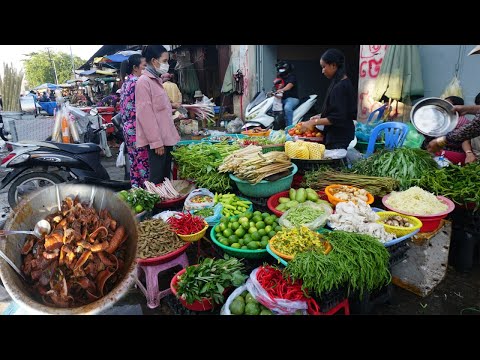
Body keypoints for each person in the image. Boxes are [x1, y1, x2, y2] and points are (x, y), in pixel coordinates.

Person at [135, 45, 180, 184]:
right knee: (157, 178)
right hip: (158, 140)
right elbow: (145, 115)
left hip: (166, 136)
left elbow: (158, 107)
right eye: (165, 61)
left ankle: (166, 204)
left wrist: (173, 107)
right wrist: (156, 143)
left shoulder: (156, 80)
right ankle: (156, 205)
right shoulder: (143, 82)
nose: (167, 64)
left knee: (166, 177)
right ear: (154, 61)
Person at [300, 48, 356, 150]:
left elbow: (335, 118)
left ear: (333, 65)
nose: (322, 71)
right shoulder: (338, 82)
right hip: (337, 133)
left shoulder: (341, 87)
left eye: (324, 67)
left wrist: (313, 122)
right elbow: (336, 110)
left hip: (339, 136)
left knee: (336, 164)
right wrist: (320, 116)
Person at [119, 54, 150, 188]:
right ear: (135, 68)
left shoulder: (126, 82)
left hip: (128, 128)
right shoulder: (137, 82)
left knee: (135, 163)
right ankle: (148, 193)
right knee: (144, 163)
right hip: (137, 128)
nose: (146, 68)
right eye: (144, 65)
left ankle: (137, 192)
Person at [424, 96, 475, 165]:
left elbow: (461, 137)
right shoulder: (446, 119)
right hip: (444, 148)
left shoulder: (460, 121)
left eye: (446, 104)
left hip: (455, 151)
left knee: (432, 153)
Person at [275, 60, 299, 127]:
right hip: (282, 99)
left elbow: (289, 86)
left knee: (287, 108)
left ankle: (289, 127)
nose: (281, 70)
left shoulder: (292, 77)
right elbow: (277, 87)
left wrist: (281, 89)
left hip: (292, 99)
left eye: (282, 69)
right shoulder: (280, 78)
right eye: (280, 69)